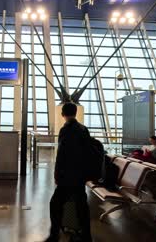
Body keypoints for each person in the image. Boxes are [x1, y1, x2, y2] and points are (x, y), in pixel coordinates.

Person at [44, 102, 92, 242]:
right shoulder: (83, 129)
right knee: (81, 206)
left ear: (62, 114)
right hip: (79, 175)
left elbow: (62, 154)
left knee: (55, 204)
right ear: (75, 113)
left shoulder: (65, 129)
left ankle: (54, 235)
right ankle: (86, 236)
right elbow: (87, 152)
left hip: (67, 176)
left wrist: (57, 173)